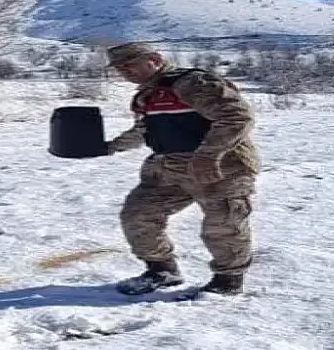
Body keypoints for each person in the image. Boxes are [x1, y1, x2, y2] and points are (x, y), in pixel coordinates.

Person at [102, 41, 260, 296]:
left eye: (130, 65)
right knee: (138, 215)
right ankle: (162, 270)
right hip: (169, 168)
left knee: (223, 225)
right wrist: (109, 147)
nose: (125, 72)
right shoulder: (147, 95)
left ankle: (227, 282)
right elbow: (145, 130)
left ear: (153, 59)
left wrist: (208, 156)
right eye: (120, 68)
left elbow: (237, 117)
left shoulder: (192, 83)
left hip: (222, 167)